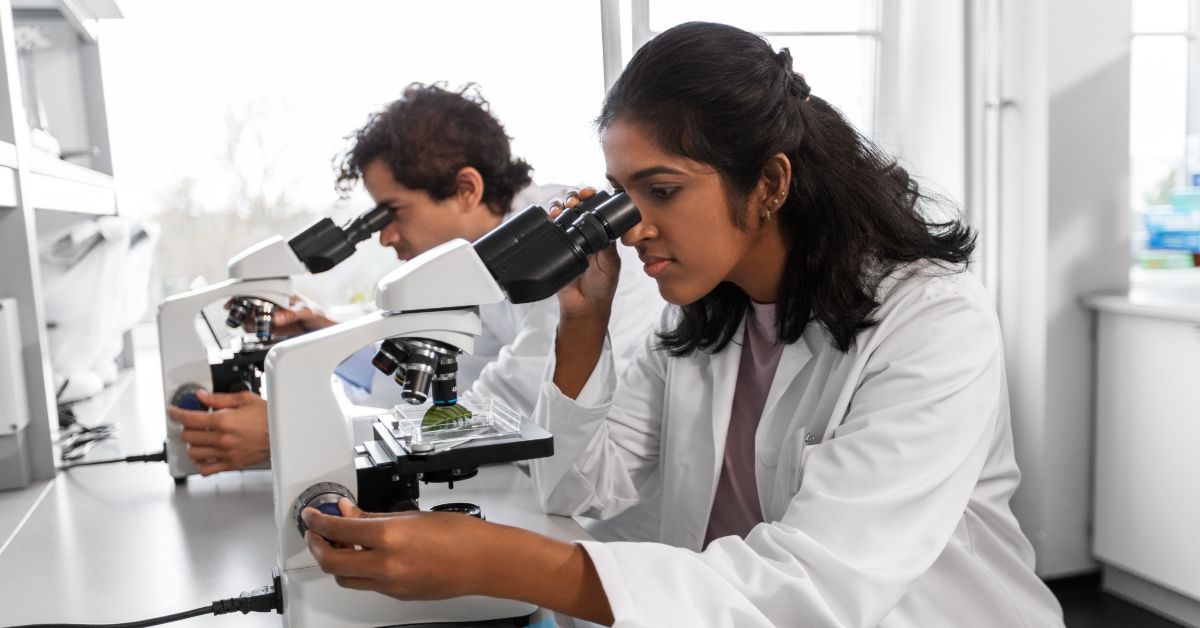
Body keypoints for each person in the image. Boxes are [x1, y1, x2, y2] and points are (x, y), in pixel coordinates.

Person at [298, 22, 1065, 627]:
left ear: (769, 183)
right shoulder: (704, 318)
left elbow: (815, 587)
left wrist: (499, 563)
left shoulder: (933, 322)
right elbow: (576, 489)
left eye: (660, 190)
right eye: (621, 196)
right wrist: (583, 325)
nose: (632, 228)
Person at [167, 83, 662, 477]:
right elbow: (460, 377)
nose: (384, 237)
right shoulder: (482, 259)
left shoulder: (565, 242)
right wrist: (330, 338)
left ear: (466, 188)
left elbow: (508, 412)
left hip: (620, 534)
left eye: (394, 211)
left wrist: (292, 435)